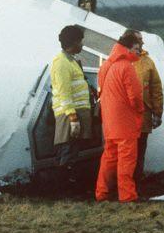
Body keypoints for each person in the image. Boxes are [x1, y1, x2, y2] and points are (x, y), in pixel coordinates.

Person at [95, 31, 144, 202]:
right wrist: (140, 111)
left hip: (109, 121)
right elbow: (136, 97)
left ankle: (102, 193)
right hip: (125, 122)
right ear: (128, 48)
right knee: (127, 160)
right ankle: (127, 195)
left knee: (109, 157)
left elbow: (100, 90)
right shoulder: (127, 66)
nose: (139, 51)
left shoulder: (107, 65)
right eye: (137, 48)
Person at [50, 26, 93, 166]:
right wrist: (72, 117)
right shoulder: (61, 62)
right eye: (80, 41)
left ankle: (69, 183)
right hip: (70, 114)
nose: (82, 44)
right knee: (67, 152)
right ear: (73, 42)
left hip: (76, 113)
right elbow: (64, 92)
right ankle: (62, 184)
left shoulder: (71, 61)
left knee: (73, 152)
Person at [130, 31, 164, 190]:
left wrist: (158, 112)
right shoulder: (119, 60)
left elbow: (156, 88)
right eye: (138, 40)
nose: (142, 43)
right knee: (126, 150)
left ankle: (137, 180)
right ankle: (124, 182)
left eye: (142, 40)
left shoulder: (148, 62)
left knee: (140, 148)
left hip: (144, 114)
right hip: (125, 116)